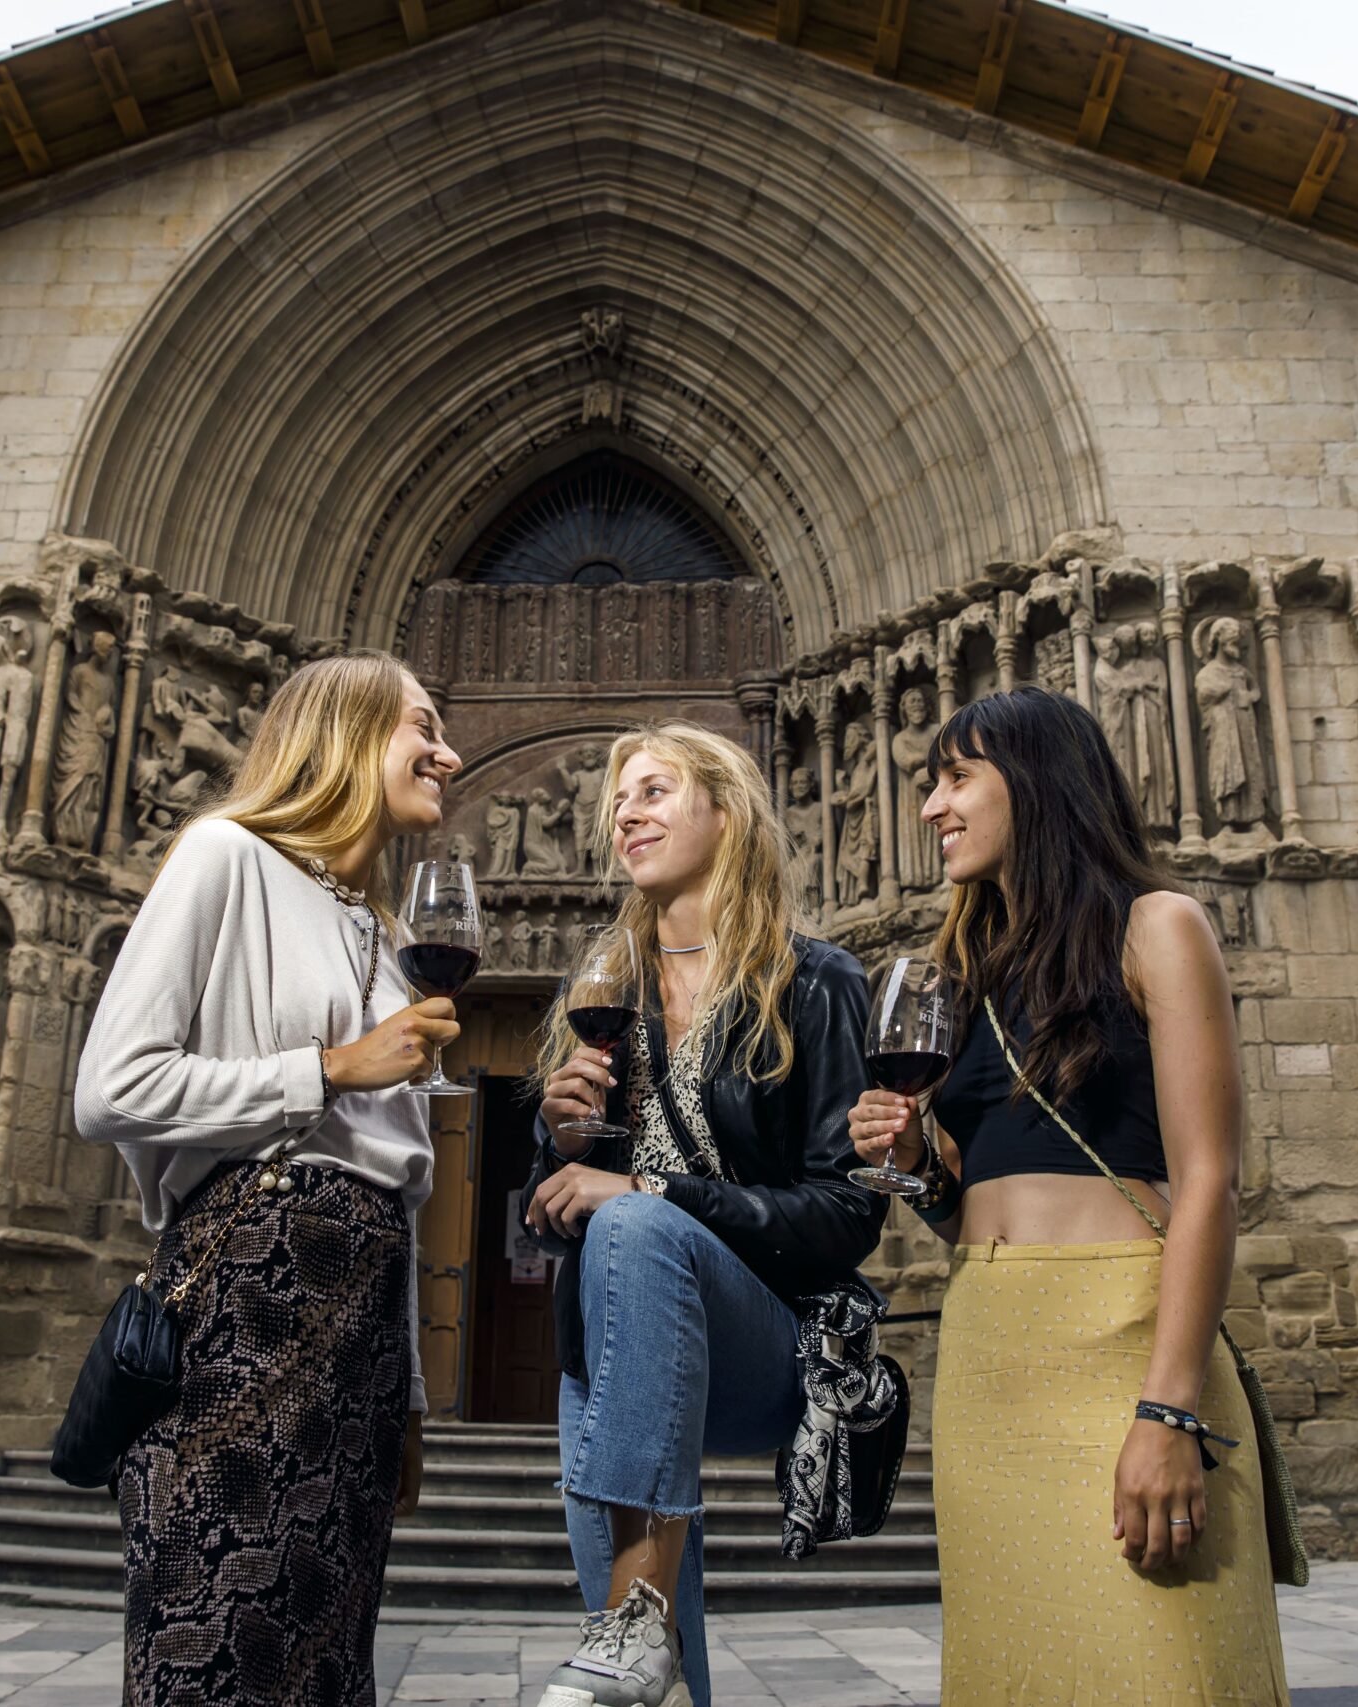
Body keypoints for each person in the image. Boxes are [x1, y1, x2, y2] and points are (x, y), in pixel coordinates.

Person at [849, 685, 1288, 1705]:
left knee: (1162, 1666)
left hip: (1121, 1341)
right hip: (987, 1352)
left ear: (1038, 784)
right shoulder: (962, 971)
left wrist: (1167, 1408)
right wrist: (916, 1163)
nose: (930, 809)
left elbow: (1211, 1179)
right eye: (929, 784)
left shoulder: (1156, 927)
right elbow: (967, 1209)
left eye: (956, 778)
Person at [74, 651, 465, 1707]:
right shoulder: (224, 856)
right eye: (420, 725)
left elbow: (399, 1183)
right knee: (216, 1622)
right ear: (339, 731)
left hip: (365, 1318)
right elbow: (110, 1089)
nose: (449, 751)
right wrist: (332, 1068)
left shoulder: (385, 934)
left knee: (329, 1651)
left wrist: (416, 1400)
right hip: (248, 1289)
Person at [524, 724, 882, 1707]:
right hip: (612, 1350)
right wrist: (559, 1154)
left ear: (726, 811)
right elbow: (548, 1219)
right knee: (640, 1681)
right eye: (618, 801)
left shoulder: (815, 982)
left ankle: (637, 1613)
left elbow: (850, 1211)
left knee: (635, 1226)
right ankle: (647, 1635)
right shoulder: (602, 995)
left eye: (654, 791)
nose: (625, 813)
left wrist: (649, 1192)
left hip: (763, 1339)